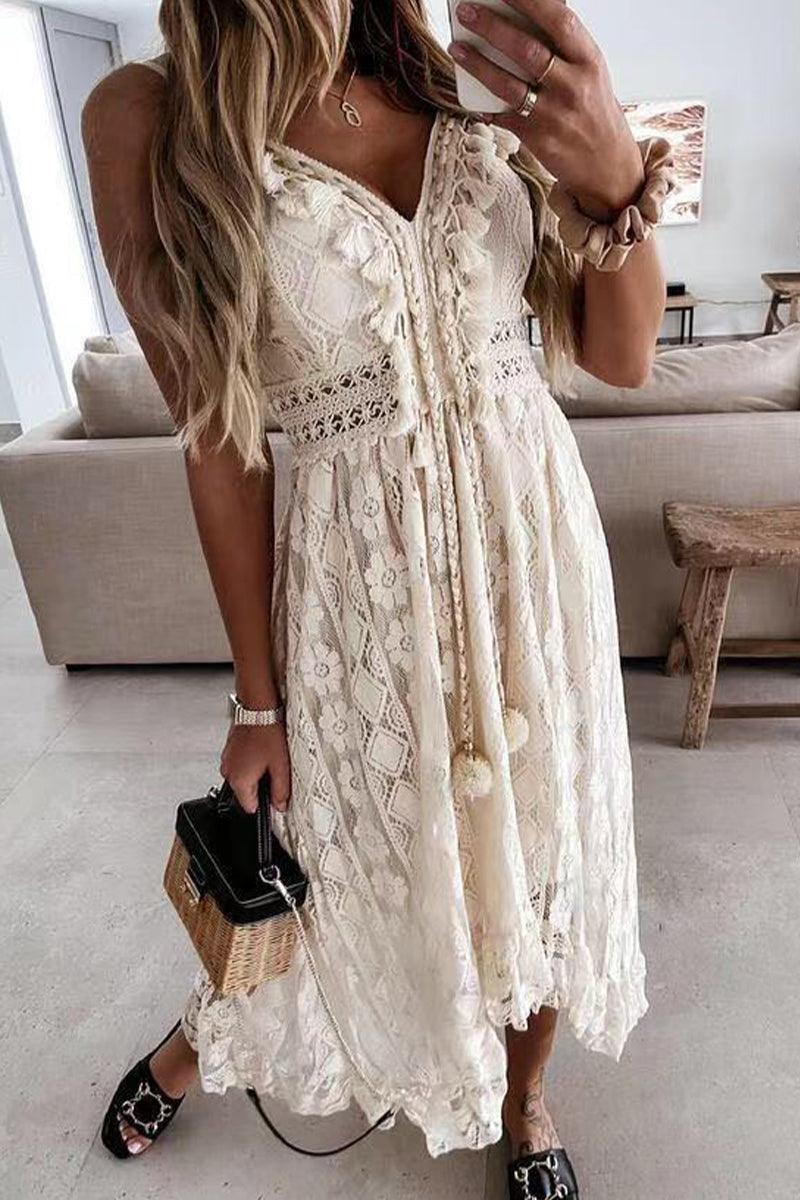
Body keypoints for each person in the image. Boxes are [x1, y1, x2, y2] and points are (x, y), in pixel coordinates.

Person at [82, 0, 670, 1194]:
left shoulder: (471, 70)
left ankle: (525, 1097)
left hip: (531, 561)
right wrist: (257, 704)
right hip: (357, 579)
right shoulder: (153, 114)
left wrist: (614, 178)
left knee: (540, 849)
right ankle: (203, 1037)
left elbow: (620, 358)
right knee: (342, 861)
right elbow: (218, 441)